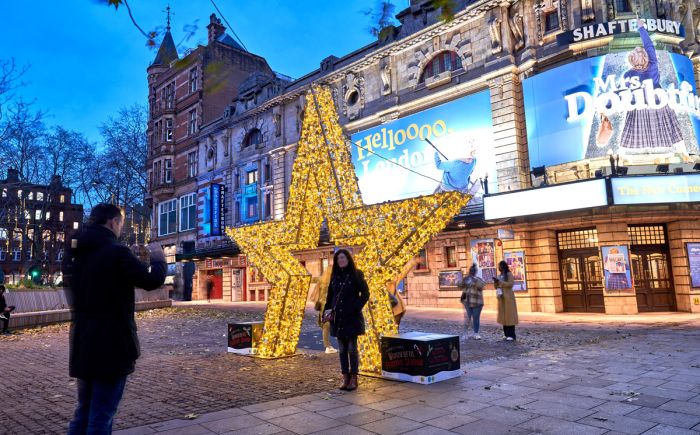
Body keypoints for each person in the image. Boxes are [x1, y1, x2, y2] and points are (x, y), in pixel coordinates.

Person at [64, 203, 166, 435]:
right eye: (121, 223)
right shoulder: (117, 252)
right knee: (102, 415)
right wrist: (158, 259)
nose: (121, 228)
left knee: (84, 411)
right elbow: (151, 281)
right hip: (112, 344)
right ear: (113, 222)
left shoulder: (76, 253)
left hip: (83, 342)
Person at [597, 19, 684, 156]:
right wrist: (641, 28)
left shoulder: (628, 74)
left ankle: (622, 155)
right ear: (645, 57)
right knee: (672, 129)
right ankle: (683, 153)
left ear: (631, 60)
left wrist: (604, 106)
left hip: (639, 107)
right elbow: (649, 45)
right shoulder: (653, 65)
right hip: (659, 104)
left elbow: (619, 93)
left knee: (629, 133)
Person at [324, 249, 369, 391]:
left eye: (342, 258)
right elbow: (330, 296)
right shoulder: (335, 276)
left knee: (352, 348)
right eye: (338, 259)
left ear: (348, 259)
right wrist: (326, 311)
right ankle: (345, 377)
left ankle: (354, 378)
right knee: (342, 349)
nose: (340, 261)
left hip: (351, 317)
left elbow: (365, 293)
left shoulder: (356, 274)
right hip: (338, 318)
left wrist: (356, 307)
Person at [312, 267, 337, 354]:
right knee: (327, 325)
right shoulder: (333, 280)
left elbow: (313, 279)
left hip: (323, 305)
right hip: (329, 305)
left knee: (326, 325)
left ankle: (328, 346)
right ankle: (327, 346)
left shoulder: (322, 279)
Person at [494, 260, 518, 341]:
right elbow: (496, 286)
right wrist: (496, 282)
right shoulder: (499, 275)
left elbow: (510, 284)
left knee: (509, 317)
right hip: (502, 298)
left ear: (503, 266)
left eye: (500, 266)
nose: (499, 268)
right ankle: (506, 334)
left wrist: (500, 282)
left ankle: (511, 335)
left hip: (508, 298)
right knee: (504, 317)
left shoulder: (509, 274)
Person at [459, 264, 484, 340]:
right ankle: (465, 333)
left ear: (475, 272)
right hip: (467, 301)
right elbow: (460, 286)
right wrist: (461, 281)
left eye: (473, 271)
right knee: (468, 317)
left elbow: (481, 286)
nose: (471, 272)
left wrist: (474, 280)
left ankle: (476, 333)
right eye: (470, 271)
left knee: (476, 317)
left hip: (477, 302)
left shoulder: (478, 279)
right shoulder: (466, 279)